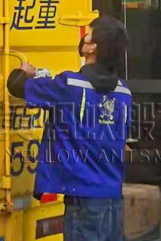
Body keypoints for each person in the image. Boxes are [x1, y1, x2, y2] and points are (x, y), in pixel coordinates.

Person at [7, 16, 131, 241]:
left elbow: (16, 86)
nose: (83, 37)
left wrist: (25, 72)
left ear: (92, 47)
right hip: (113, 198)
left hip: (82, 200)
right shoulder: (124, 92)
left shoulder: (70, 86)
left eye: (88, 33)